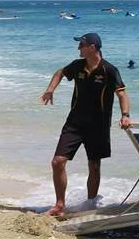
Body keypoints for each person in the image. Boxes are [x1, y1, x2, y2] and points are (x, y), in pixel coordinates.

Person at [40, 32, 131, 217]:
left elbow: (121, 93)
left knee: (94, 165)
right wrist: (50, 90)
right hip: (74, 123)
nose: (78, 48)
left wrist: (126, 115)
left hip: (98, 125)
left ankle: (90, 204)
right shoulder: (78, 65)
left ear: (92, 47)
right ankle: (59, 205)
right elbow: (60, 72)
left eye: (81, 45)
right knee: (57, 162)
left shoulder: (109, 70)